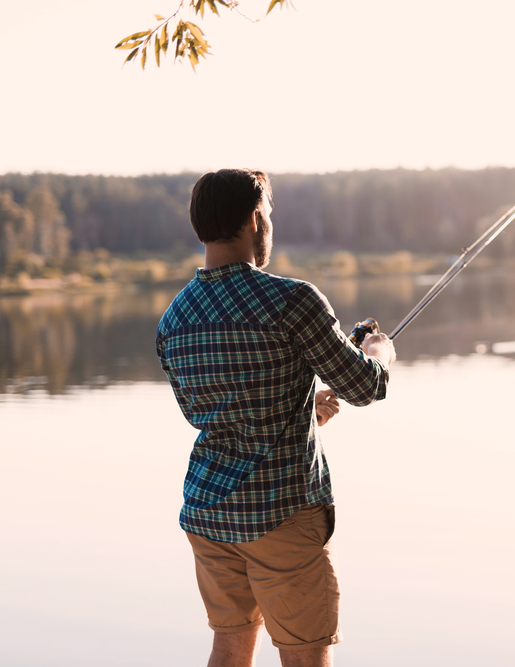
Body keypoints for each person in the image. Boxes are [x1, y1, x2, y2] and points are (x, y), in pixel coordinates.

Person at [155, 168, 395, 667]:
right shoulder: (291, 299)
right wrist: (379, 353)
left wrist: (304, 412)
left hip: (208, 516)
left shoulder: (173, 320)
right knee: (305, 656)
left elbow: (217, 415)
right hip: (279, 516)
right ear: (252, 218)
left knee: (230, 645)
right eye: (268, 213)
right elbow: (364, 387)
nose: (269, 224)